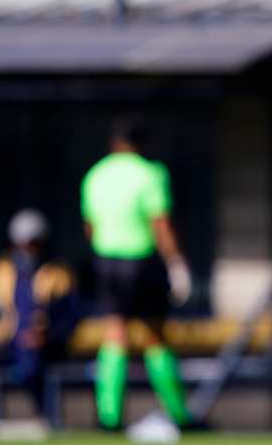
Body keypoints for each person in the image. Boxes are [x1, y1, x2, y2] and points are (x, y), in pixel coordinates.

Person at [80, 115, 193, 430]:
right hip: (141, 261)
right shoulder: (150, 174)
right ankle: (179, 415)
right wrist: (176, 263)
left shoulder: (96, 175)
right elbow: (161, 224)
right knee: (156, 337)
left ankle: (109, 417)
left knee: (115, 335)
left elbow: (90, 226)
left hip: (106, 260)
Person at [0, 209, 79, 418]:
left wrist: (46, 335)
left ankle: (46, 418)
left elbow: (70, 316)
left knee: (32, 364)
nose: (26, 250)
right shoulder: (5, 270)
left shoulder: (59, 272)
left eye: (31, 244)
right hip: (12, 342)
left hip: (47, 346)